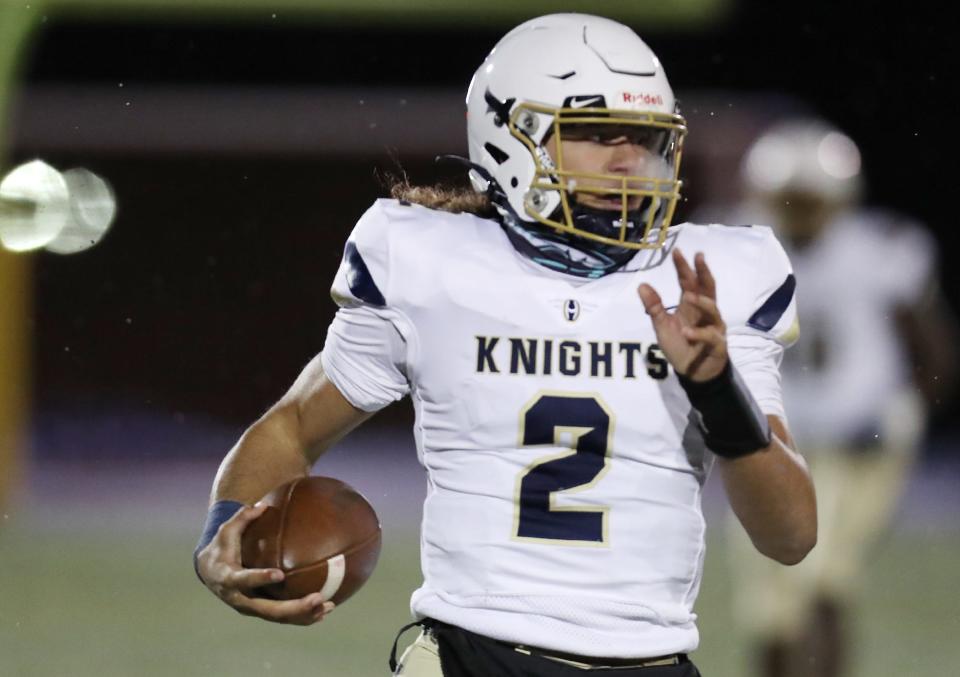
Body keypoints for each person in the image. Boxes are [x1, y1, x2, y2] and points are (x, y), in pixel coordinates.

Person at [194, 14, 817, 676]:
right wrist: (222, 538)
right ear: (510, 140)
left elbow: (790, 536)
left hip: (649, 660)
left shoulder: (708, 282)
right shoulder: (431, 261)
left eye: (642, 138)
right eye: (595, 135)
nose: (628, 159)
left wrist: (717, 388)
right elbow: (291, 427)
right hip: (469, 654)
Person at [724, 118, 957, 677]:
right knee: (768, 605)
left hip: (857, 445)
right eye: (790, 198)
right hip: (768, 441)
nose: (801, 213)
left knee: (821, 578)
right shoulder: (739, 246)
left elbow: (935, 352)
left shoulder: (880, 251)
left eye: (812, 200)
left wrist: (907, 412)